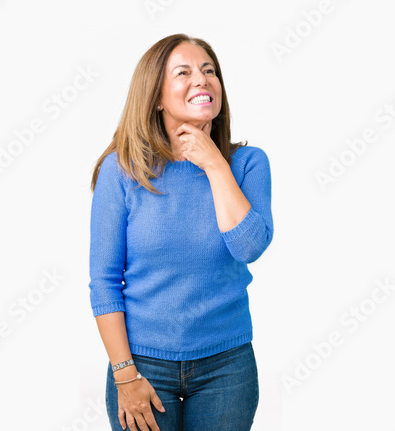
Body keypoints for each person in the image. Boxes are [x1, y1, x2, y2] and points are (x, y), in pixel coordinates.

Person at [88, 33, 274, 431]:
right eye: (184, 72)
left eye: (209, 71)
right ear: (156, 95)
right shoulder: (121, 172)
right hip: (142, 365)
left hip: (227, 367)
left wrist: (214, 165)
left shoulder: (247, 164)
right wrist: (124, 374)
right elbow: (104, 283)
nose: (202, 80)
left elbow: (250, 246)